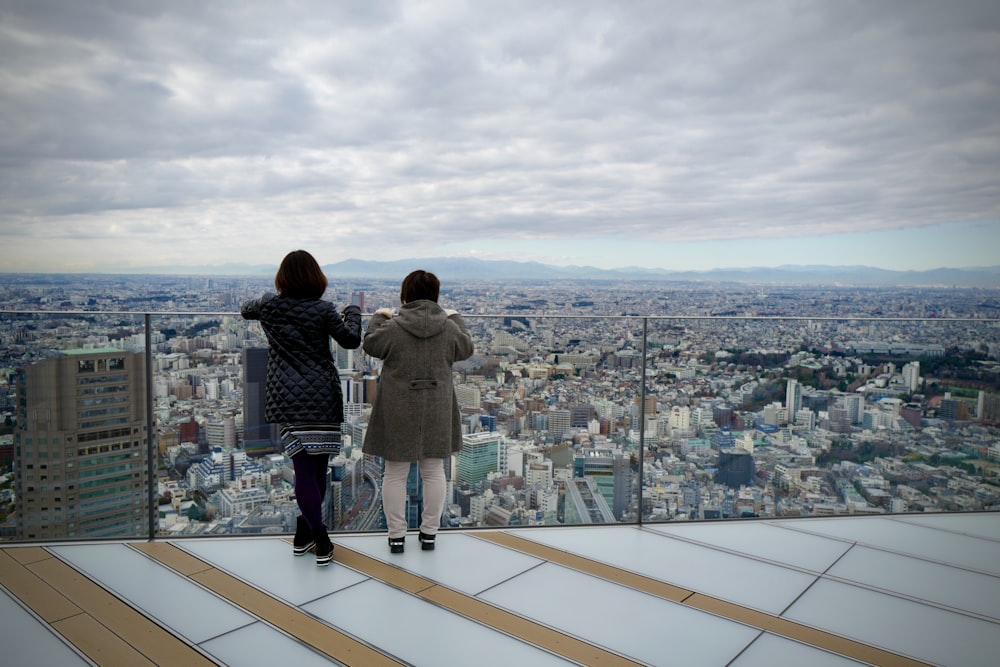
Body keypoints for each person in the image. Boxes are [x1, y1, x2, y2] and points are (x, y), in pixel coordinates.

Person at [241, 250, 361, 566]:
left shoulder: (270, 307)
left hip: (286, 396)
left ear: (282, 278)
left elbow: (245, 310)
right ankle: (320, 537)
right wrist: (354, 312)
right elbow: (350, 340)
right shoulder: (323, 310)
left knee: (304, 469)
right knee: (318, 468)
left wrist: (269, 298)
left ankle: (305, 534)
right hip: (321, 393)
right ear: (316, 278)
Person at [362, 270, 474, 553]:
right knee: (434, 471)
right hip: (437, 406)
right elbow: (467, 347)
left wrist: (378, 315)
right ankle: (429, 534)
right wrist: (455, 316)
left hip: (399, 406)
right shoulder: (448, 328)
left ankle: (397, 535)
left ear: (405, 295)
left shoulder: (394, 327)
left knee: (395, 473)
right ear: (436, 295)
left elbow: (371, 343)